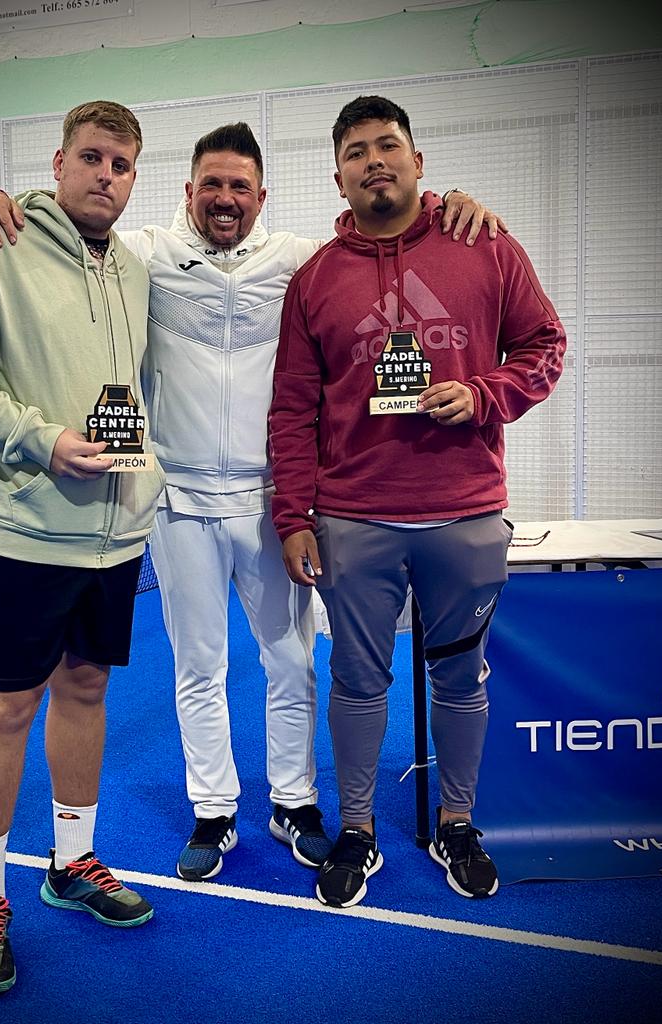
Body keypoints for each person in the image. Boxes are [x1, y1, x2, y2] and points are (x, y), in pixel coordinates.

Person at [0, 124, 503, 884]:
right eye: (211, 185)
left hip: (270, 502)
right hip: (177, 502)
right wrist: (3, 200)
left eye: (240, 187)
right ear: (188, 192)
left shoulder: (299, 262)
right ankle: (213, 810)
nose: (225, 199)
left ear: (261, 197)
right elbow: (76, 218)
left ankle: (294, 803)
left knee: (291, 661)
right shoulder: (145, 255)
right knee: (199, 666)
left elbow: (378, 230)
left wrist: (447, 205)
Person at [269, 95, 566, 908]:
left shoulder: (486, 244)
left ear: (418, 160)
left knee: (460, 679)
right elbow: (293, 408)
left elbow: (545, 347)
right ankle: (358, 830)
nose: (375, 161)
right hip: (355, 520)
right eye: (357, 151)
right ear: (339, 174)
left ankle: (457, 822)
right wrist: (293, 516)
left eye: (388, 145)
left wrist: (484, 393)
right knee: (357, 680)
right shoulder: (315, 281)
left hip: (464, 512)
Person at [0, 100, 165, 998]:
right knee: (8, 706)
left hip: (112, 532)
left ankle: (71, 860)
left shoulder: (134, 269)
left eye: (124, 164)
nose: (107, 176)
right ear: (59, 163)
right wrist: (39, 440)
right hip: (21, 528)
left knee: (87, 687)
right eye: (93, 158)